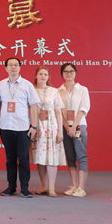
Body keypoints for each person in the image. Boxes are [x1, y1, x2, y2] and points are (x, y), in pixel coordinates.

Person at [0, 57, 39, 198]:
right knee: (10, 159)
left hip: (22, 128)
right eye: (10, 65)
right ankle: (11, 187)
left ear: (20, 67)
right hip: (5, 127)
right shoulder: (1, 84)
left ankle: (25, 188)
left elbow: (33, 106)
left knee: (23, 159)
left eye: (16, 65)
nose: (13, 67)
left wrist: (34, 126)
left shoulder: (27, 85)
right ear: (6, 68)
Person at [31, 66, 66, 198]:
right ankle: (44, 186)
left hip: (51, 127)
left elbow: (58, 111)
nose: (43, 76)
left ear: (48, 77)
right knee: (40, 157)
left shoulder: (53, 91)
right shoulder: (31, 90)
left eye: (45, 74)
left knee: (52, 157)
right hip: (38, 126)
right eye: (40, 74)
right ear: (36, 76)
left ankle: (51, 188)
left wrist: (60, 131)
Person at [58, 63, 90, 197]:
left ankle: (81, 188)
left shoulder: (82, 89)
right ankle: (75, 186)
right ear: (62, 74)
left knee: (81, 156)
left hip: (79, 126)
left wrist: (74, 126)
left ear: (75, 73)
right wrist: (67, 127)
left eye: (71, 71)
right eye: (66, 71)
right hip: (65, 128)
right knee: (70, 157)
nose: (68, 74)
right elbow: (59, 111)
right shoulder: (58, 91)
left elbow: (83, 109)